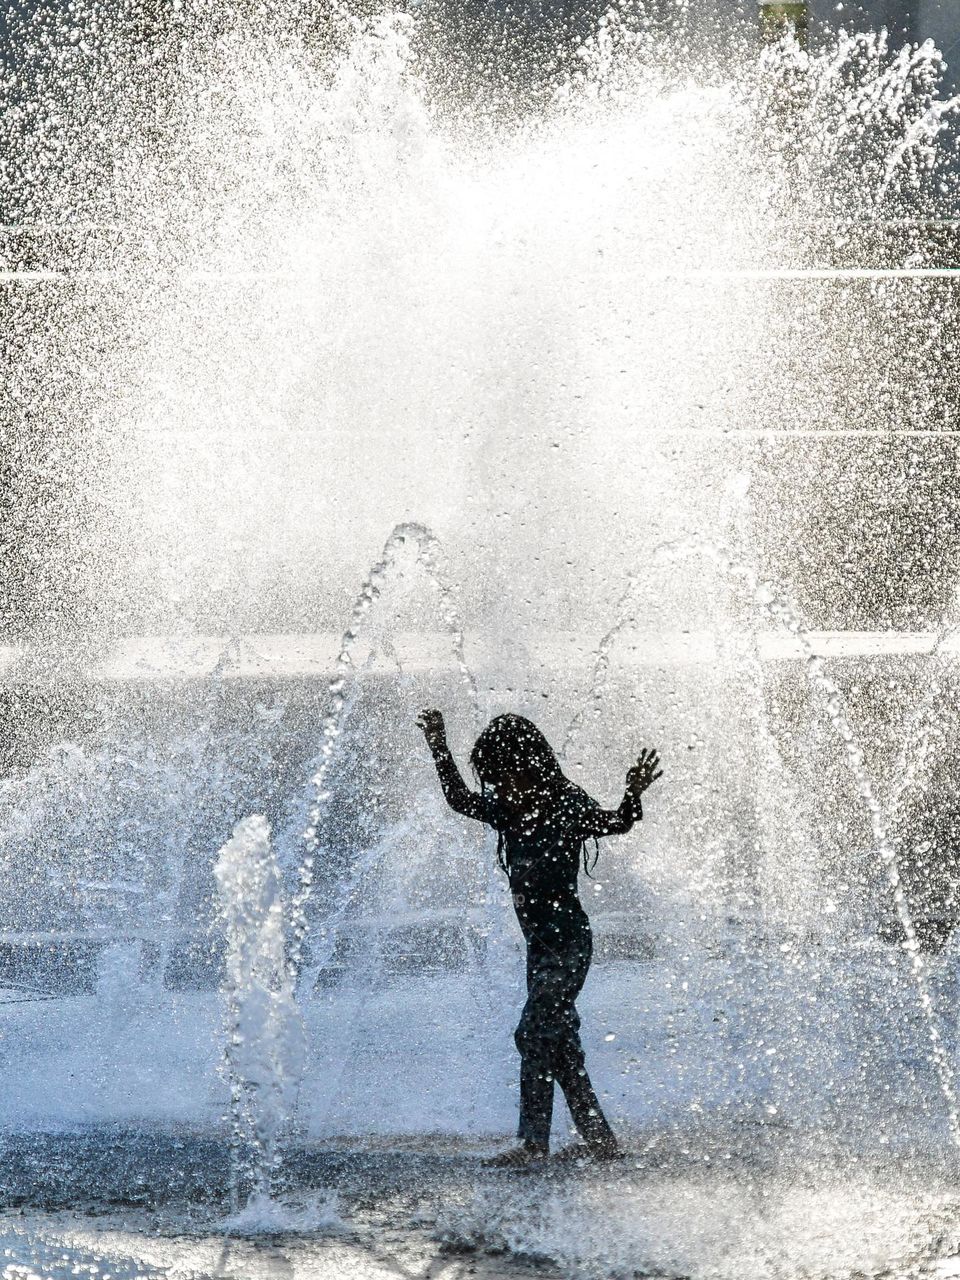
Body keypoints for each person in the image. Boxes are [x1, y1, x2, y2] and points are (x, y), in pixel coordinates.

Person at [417, 709, 662, 1167]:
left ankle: (532, 1144)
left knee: (532, 1033)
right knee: (559, 1044)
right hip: (541, 950)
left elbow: (616, 822)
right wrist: (438, 745)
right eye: (493, 780)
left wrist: (632, 794)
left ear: (529, 764)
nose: (500, 789)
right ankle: (601, 1141)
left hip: (569, 945)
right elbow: (458, 798)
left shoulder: (566, 804)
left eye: (505, 776)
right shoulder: (508, 812)